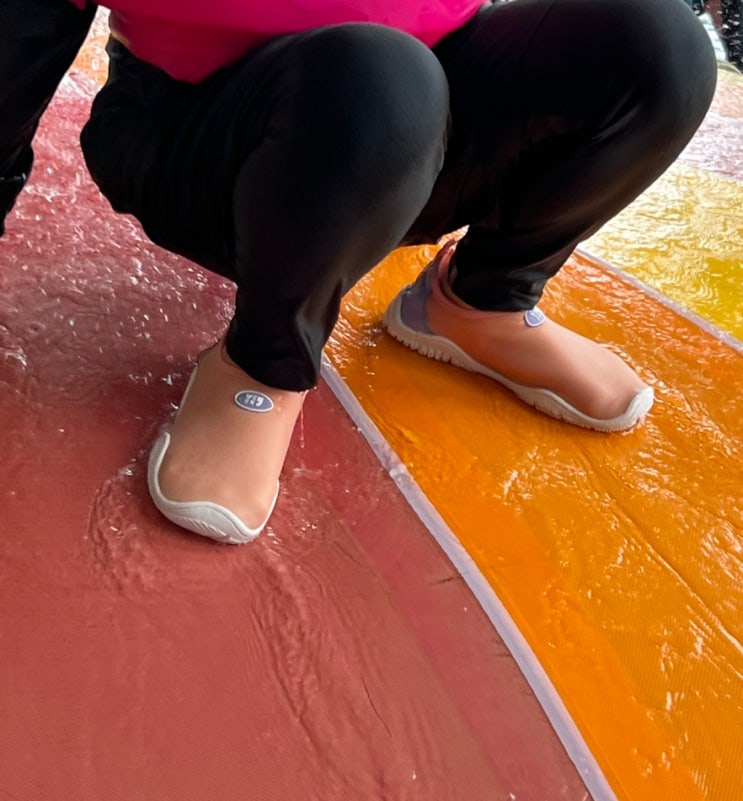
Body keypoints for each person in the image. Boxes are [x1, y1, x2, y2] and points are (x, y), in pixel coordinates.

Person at [0, 0, 717, 544]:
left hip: (419, 117)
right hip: (208, 133)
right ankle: (263, 362)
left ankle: (483, 299)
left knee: (656, 44)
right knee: (379, 80)